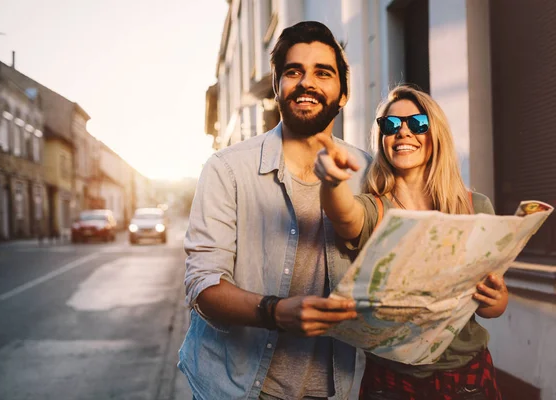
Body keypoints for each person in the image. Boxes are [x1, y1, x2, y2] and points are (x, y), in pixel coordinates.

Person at [179, 21, 372, 400]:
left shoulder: (367, 172)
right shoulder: (227, 169)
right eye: (293, 71)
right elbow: (202, 285)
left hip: (339, 386)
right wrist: (274, 311)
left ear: (343, 93)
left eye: (323, 72)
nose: (306, 82)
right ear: (277, 85)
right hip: (239, 385)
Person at [314, 85, 507, 400]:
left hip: (467, 381)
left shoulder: (476, 207)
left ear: (436, 133)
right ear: (382, 139)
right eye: (391, 126)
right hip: (390, 385)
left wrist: (495, 297)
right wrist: (332, 181)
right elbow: (344, 216)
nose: (403, 132)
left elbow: (493, 307)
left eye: (417, 123)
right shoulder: (375, 209)